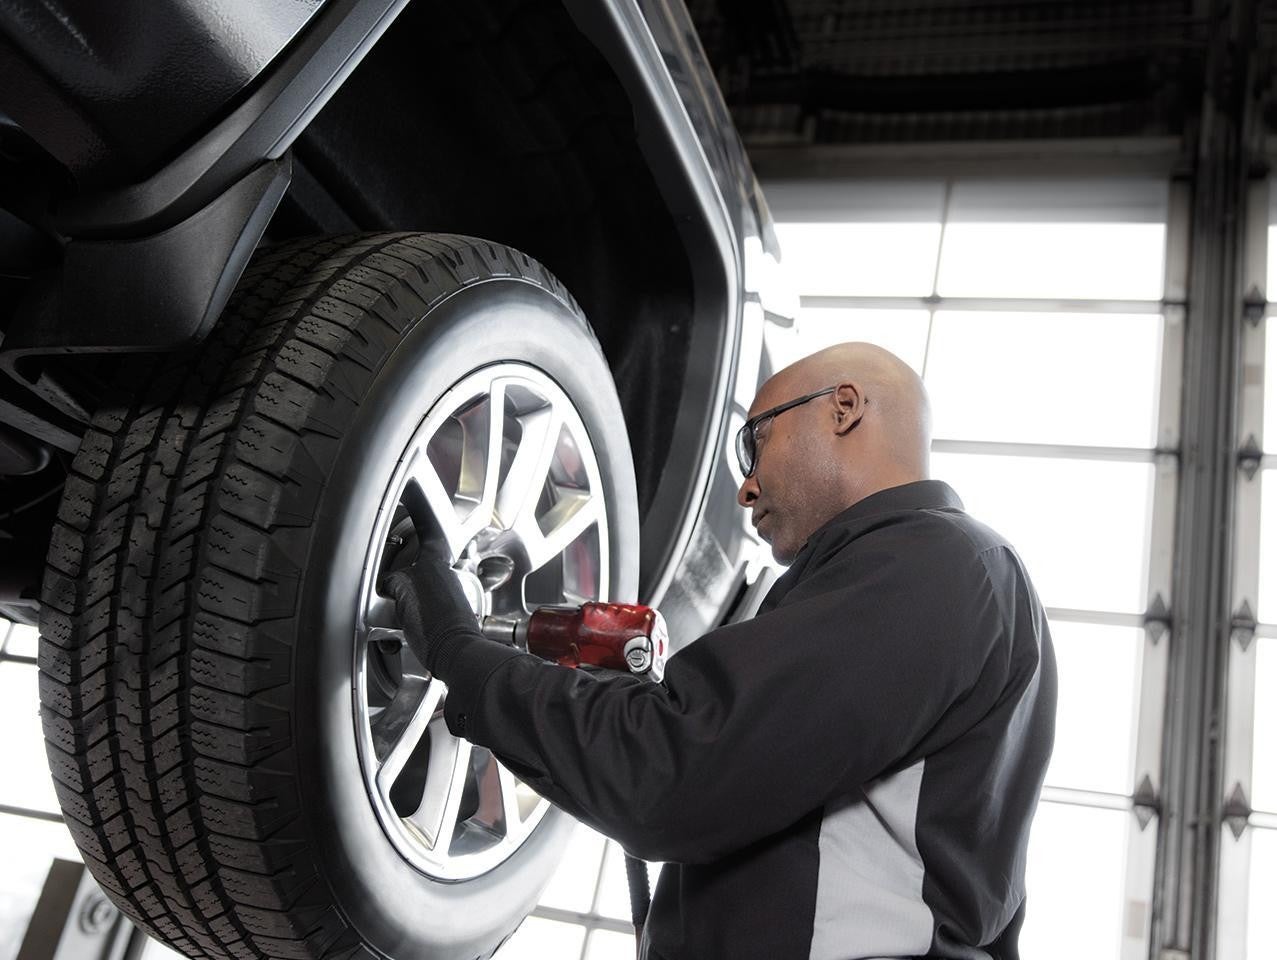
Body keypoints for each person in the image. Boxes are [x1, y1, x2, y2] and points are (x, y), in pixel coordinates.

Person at [383, 341, 1057, 960]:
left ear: (843, 408)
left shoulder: (936, 563)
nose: (745, 487)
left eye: (754, 443)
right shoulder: (909, 582)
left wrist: (456, 649)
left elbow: (668, 771)